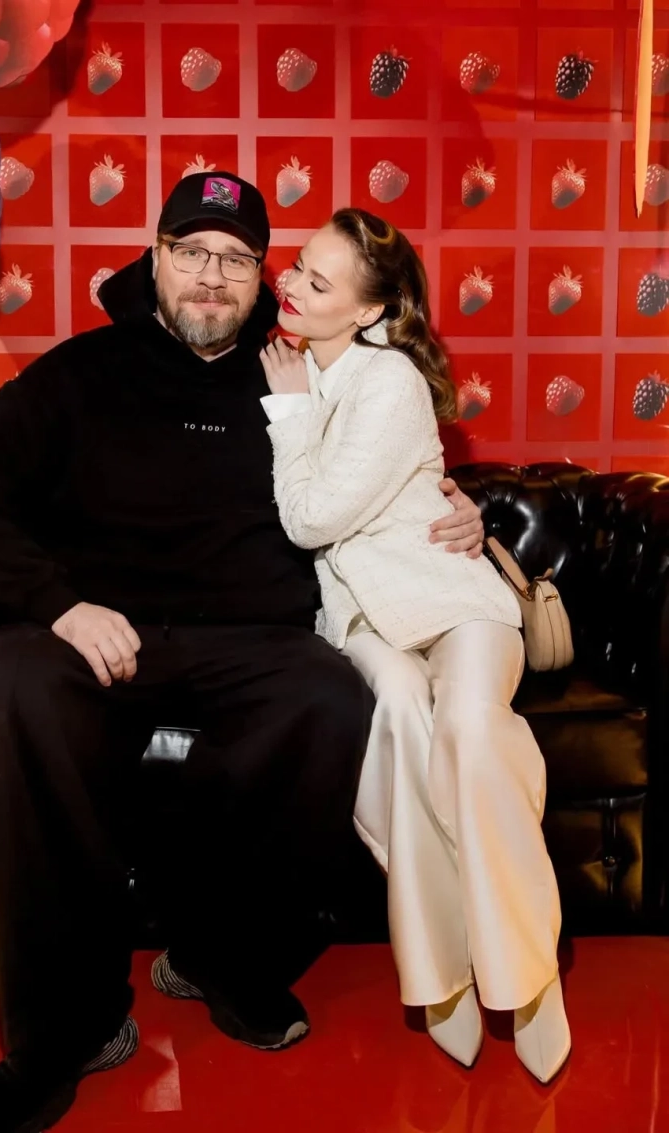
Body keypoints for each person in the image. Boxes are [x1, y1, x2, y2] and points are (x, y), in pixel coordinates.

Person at [0, 175, 486, 1133]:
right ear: (157, 258)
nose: (212, 276)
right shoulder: (82, 373)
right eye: (192, 252)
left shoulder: (307, 371)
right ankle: (61, 1034)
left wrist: (462, 513)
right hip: (100, 632)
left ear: (264, 276)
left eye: (235, 258)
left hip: (252, 643)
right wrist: (60, 606)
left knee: (328, 697)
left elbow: (393, 463)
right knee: (12, 684)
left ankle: (224, 959)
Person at [258, 208, 571, 1085]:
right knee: (396, 713)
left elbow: (312, 517)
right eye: (298, 266)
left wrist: (291, 415)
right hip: (362, 618)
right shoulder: (280, 359)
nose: (292, 284)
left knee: (470, 730)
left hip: (454, 600)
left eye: (318, 281)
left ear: (367, 311)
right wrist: (293, 404)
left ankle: (529, 976)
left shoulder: (387, 378)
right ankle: (442, 974)